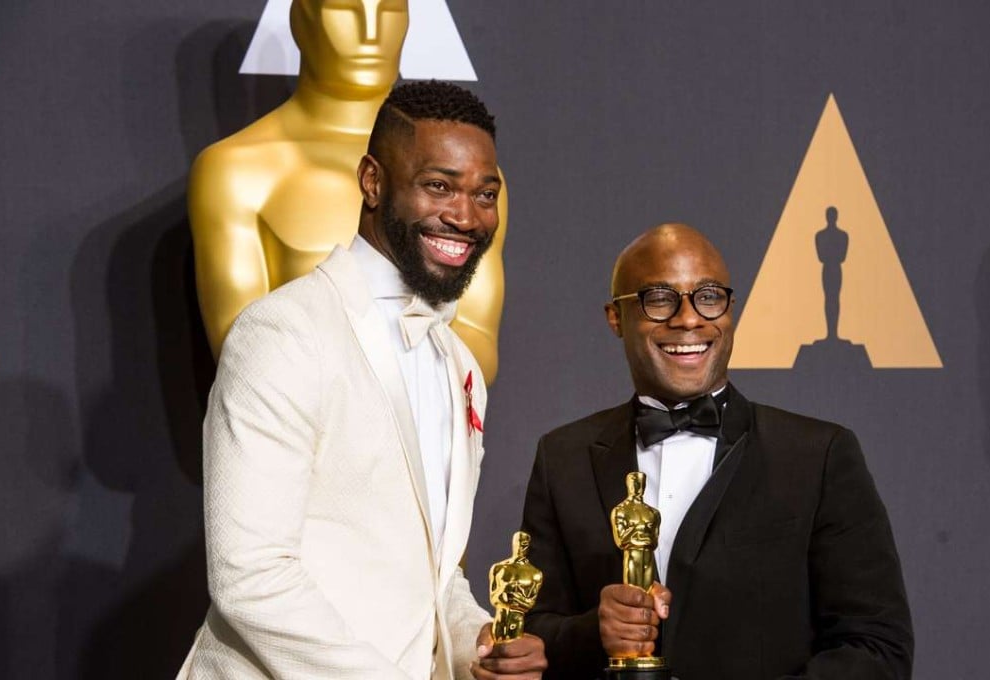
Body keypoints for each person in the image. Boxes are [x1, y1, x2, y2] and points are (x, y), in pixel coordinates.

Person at [177, 81, 545, 680]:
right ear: (372, 181)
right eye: (438, 185)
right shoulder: (283, 333)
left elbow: (433, 570)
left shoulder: (460, 364)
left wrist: (476, 638)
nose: (466, 215)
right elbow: (251, 574)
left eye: (486, 193)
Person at [520, 224, 912, 679]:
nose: (689, 319)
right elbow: (528, 633)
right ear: (615, 317)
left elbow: (877, 648)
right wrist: (594, 633)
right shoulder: (562, 458)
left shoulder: (818, 456)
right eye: (660, 298)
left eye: (708, 297)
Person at [190, 0, 506, 383]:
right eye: (344, 10)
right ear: (301, 20)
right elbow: (243, 357)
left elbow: (478, 342)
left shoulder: (474, 185)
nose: (371, 34)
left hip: (435, 433)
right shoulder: (237, 172)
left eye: (390, 11)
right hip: (298, 432)